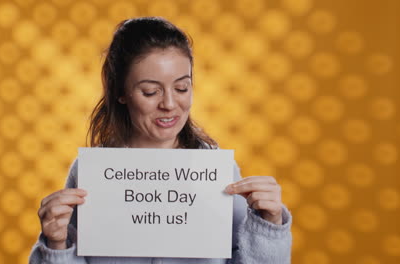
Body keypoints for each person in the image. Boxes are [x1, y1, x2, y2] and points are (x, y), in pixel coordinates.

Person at [29, 17, 292, 264]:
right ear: (121, 92)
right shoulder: (91, 172)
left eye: (182, 88)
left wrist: (269, 226)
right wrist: (56, 245)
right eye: (150, 91)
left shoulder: (217, 171)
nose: (169, 104)